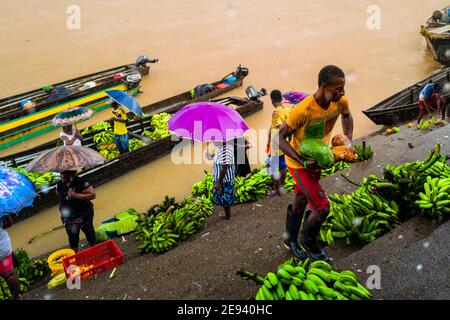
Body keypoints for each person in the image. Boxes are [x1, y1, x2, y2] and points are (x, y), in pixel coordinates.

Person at [277, 65, 354, 262]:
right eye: (338, 88)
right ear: (324, 86)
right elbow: (278, 139)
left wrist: (348, 141)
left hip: (317, 158)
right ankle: (309, 242)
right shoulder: (302, 110)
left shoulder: (341, 101)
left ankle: (290, 239)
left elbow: (347, 115)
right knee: (322, 207)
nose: (342, 92)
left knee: (302, 198)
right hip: (298, 163)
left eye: (343, 87)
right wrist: (302, 160)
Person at [56, 170, 96, 252]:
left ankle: (95, 251)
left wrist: (75, 195)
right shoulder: (59, 184)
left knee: (89, 233)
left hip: (84, 214)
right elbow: (59, 195)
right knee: (72, 237)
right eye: (60, 174)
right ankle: (75, 256)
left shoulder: (81, 182)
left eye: (63, 174)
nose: (61, 176)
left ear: (70, 175)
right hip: (68, 217)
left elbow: (92, 194)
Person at [267, 90, 292, 196]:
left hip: (277, 144)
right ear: (281, 98)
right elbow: (290, 126)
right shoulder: (288, 109)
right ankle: (281, 186)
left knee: (272, 167)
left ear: (272, 101)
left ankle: (277, 189)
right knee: (282, 166)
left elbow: (278, 128)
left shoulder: (276, 112)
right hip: (285, 143)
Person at [0, 216, 23, 300]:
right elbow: (9, 223)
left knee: (9, 276)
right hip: (2, 248)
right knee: (9, 275)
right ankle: (17, 297)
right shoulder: (2, 206)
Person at [212, 141, 236, 220]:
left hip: (225, 180)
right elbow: (219, 160)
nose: (213, 142)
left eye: (214, 140)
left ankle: (228, 216)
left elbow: (224, 168)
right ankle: (227, 215)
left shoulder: (226, 150)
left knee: (226, 199)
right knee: (223, 199)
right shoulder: (221, 148)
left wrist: (218, 182)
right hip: (221, 179)